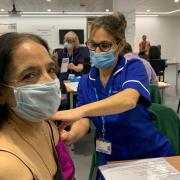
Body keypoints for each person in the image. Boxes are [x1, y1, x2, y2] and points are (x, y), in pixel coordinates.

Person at [51, 11, 174, 179]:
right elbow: (84, 120)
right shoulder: (87, 81)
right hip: (110, 158)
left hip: (147, 154)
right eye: (92, 45)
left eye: (105, 45)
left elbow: (128, 100)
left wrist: (79, 111)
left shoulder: (133, 68)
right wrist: (73, 135)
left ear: (120, 44)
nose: (97, 51)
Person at [0, 32, 74, 179]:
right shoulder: (6, 166)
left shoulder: (49, 128)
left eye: (51, 70)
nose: (48, 81)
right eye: (29, 75)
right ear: (2, 93)